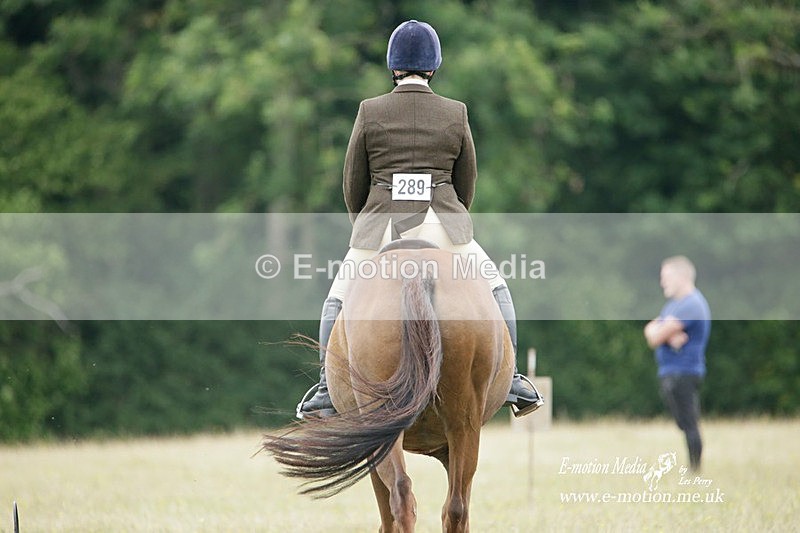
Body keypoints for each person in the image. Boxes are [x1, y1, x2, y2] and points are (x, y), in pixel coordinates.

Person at [296, 19, 543, 419]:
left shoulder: (370, 110)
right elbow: (466, 184)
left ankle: (326, 387)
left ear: (393, 66)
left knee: (337, 300)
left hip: (381, 227)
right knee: (498, 289)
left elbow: (353, 182)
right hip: (442, 225)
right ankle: (513, 379)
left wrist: (365, 225)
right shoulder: (455, 112)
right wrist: (454, 219)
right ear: (433, 66)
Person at [644, 255, 711, 471]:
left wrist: (661, 332)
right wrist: (664, 333)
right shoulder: (674, 306)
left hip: (684, 372)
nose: (662, 282)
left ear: (682, 277)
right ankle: (694, 468)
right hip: (673, 372)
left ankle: (695, 471)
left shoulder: (691, 304)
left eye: (666, 277)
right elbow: (650, 329)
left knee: (689, 424)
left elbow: (655, 336)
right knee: (684, 423)